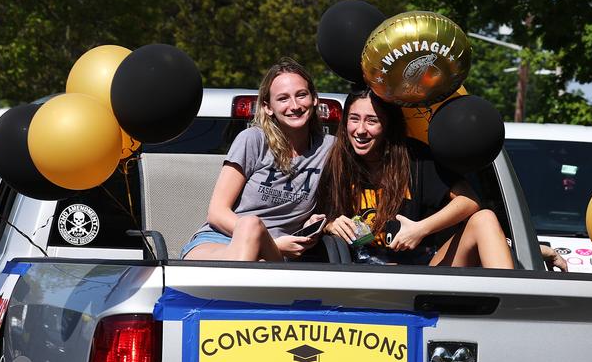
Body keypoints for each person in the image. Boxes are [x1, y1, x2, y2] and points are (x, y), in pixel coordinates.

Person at [317, 88, 514, 269]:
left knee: (484, 219)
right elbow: (310, 217)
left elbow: (469, 202)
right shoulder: (334, 160)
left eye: (372, 120)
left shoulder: (415, 158)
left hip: (420, 277)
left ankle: (512, 303)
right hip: (359, 277)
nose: (360, 130)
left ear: (388, 125)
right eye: (354, 119)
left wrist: (420, 229)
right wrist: (330, 225)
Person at [181, 57, 333, 261]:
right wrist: (266, 240)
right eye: (283, 98)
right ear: (268, 107)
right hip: (221, 239)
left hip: (273, 255)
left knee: (252, 251)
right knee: (250, 224)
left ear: (314, 99)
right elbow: (217, 213)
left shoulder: (329, 149)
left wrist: (318, 222)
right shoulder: (253, 140)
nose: (294, 105)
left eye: (301, 95)